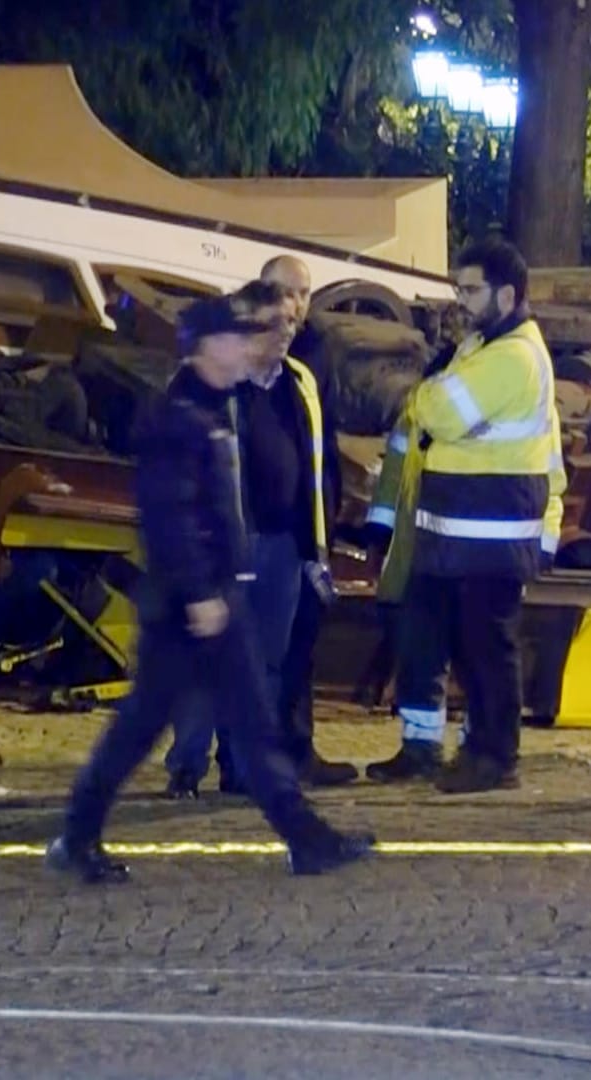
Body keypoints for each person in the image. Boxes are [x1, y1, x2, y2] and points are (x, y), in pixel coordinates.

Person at [45, 295, 373, 882]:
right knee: (147, 727)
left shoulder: (208, 407)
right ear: (204, 348)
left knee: (245, 721)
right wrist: (200, 593)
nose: (244, 347)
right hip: (191, 606)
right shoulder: (180, 417)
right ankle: (77, 835)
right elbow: (170, 515)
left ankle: (306, 838)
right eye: (232, 339)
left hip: (213, 598)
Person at [363, 239, 565, 793]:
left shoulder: (513, 356)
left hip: (488, 533)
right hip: (458, 532)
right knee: (437, 640)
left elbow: (435, 410)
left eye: (471, 289)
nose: (461, 300)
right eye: (459, 288)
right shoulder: (482, 346)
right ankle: (440, 752)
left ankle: (495, 758)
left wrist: (428, 396)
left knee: (486, 650)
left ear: (507, 293)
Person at [161, 276, 356, 795]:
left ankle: (243, 767)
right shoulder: (205, 384)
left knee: (265, 665)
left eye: (291, 322)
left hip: (282, 550)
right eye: (272, 325)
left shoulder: (299, 382)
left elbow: (317, 467)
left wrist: (314, 548)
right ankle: (187, 764)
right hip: (222, 551)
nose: (285, 333)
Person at [259, 255, 361, 788]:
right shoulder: (248, 346)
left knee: (299, 642)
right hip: (264, 526)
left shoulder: (316, 350)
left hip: (307, 521)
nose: (294, 304)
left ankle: (296, 749)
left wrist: (329, 513)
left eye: (302, 293)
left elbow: (325, 438)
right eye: (283, 292)